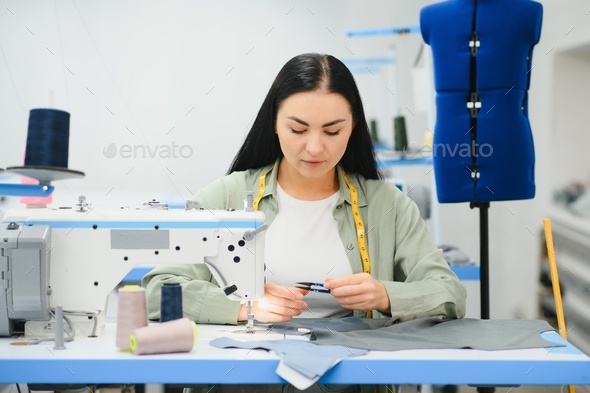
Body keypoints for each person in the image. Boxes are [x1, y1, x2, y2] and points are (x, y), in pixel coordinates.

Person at [142, 53, 467, 393]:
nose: (314, 147)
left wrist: (385, 294)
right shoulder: (225, 196)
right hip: (247, 378)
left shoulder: (389, 205)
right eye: (298, 129)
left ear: (353, 126)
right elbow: (159, 289)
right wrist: (243, 307)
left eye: (333, 131)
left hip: (349, 379)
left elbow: (450, 294)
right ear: (274, 123)